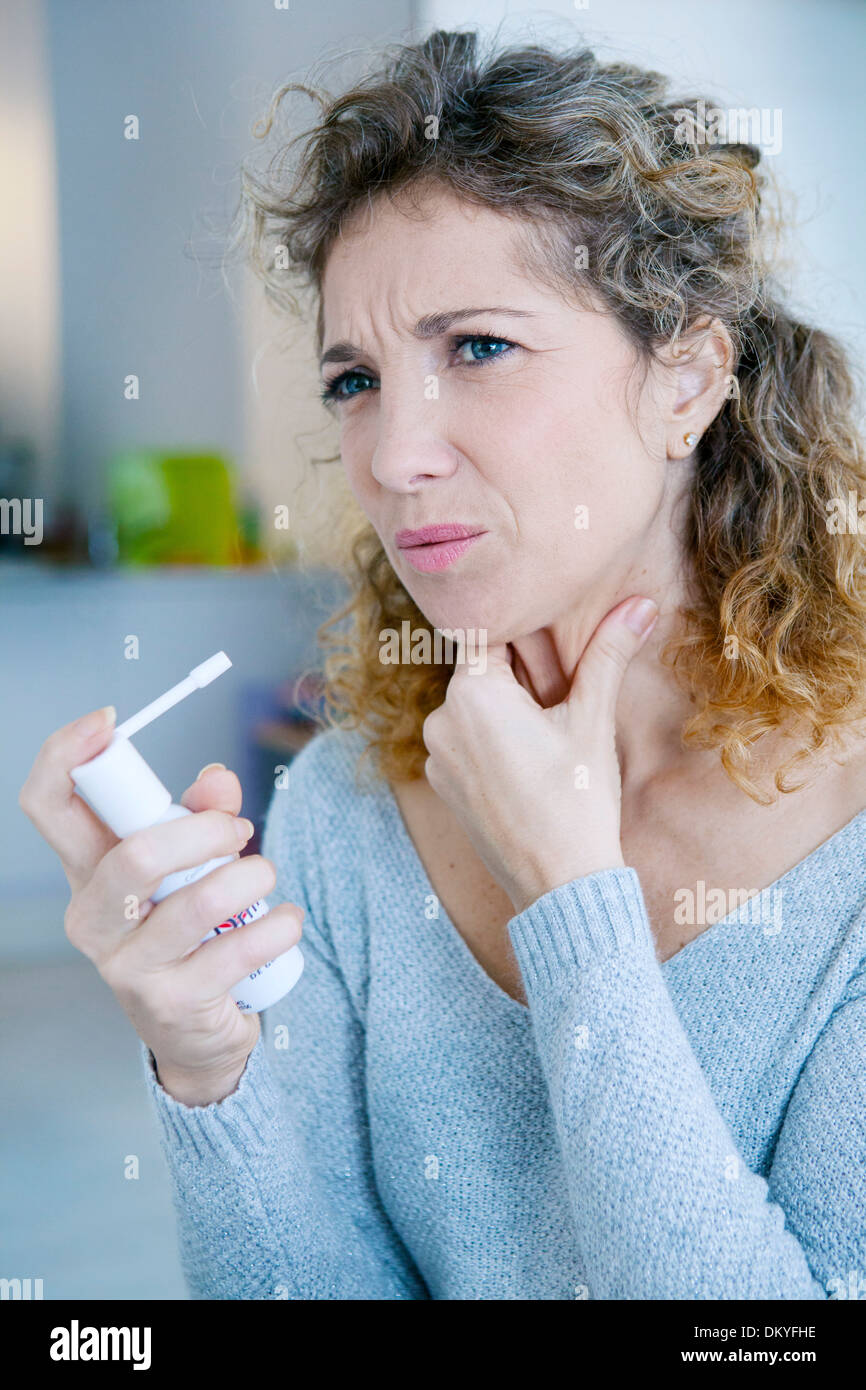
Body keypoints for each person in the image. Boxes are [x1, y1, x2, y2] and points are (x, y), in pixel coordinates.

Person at [21, 29, 866, 1299]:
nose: (392, 454)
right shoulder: (349, 805)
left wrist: (569, 897)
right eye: (354, 378)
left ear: (686, 378)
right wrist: (207, 1063)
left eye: (476, 347)